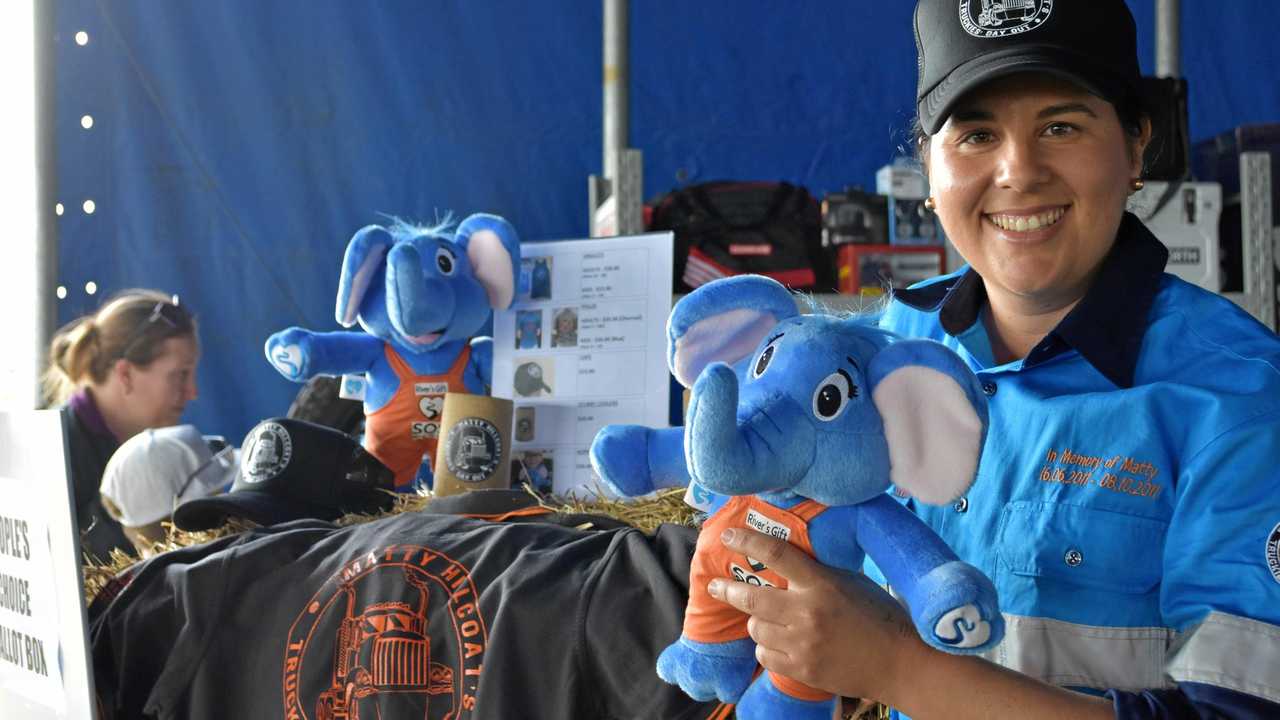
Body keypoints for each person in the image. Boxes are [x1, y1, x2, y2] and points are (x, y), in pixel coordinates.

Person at [707, 2, 1280, 718]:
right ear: (927, 163)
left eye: (1061, 127)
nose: (1019, 172)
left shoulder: (1240, 396)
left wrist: (894, 667)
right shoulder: (873, 348)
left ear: (1136, 147)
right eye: (977, 134)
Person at [42, 289, 200, 560]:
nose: (192, 391)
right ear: (125, 374)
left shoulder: (146, 447)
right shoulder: (52, 460)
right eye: (180, 375)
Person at [98, 424, 237, 556]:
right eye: (218, 493)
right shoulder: (231, 564)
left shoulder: (141, 579)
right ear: (193, 511)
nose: (225, 496)